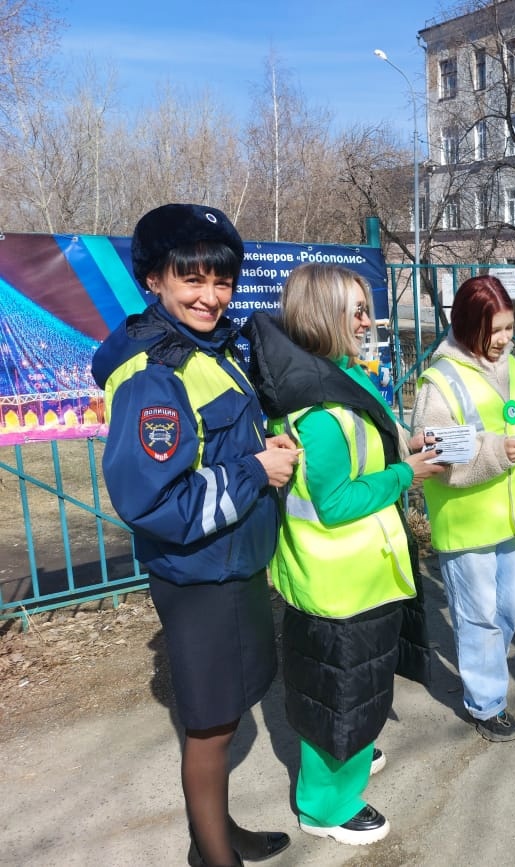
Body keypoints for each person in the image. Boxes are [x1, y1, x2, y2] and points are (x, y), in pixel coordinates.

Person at [92, 204, 297, 867]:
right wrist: (255, 469)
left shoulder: (211, 348)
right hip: (198, 574)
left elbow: (218, 444)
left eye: (222, 281)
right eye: (192, 279)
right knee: (211, 727)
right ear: (154, 278)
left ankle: (217, 831)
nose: (211, 295)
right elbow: (155, 500)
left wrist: (263, 448)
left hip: (231, 564)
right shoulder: (153, 372)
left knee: (230, 711)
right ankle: (213, 856)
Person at [243, 265, 445, 845]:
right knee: (340, 697)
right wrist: (407, 473)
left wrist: (402, 446)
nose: (367, 321)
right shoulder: (322, 408)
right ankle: (325, 807)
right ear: (321, 317)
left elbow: (361, 457)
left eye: (367, 308)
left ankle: (348, 756)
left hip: (356, 577)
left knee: (351, 693)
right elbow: (333, 502)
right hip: (339, 583)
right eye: (355, 310)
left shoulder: (336, 381)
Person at [410, 275, 515, 742]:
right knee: (478, 614)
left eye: (509, 328)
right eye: (495, 330)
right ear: (469, 326)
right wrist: (495, 452)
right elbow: (432, 452)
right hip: (466, 520)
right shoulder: (439, 381)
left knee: (514, 601)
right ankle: (486, 704)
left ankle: (485, 665)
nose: (504, 339)